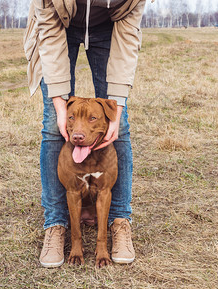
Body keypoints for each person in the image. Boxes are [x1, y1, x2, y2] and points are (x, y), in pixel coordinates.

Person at [24, 0, 146, 267]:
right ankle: (56, 224)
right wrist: (59, 105)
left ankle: (119, 219)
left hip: (111, 26)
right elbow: (48, 29)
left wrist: (119, 107)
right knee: (53, 126)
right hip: (58, 25)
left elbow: (127, 41)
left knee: (119, 126)